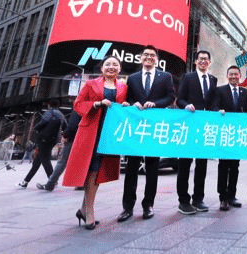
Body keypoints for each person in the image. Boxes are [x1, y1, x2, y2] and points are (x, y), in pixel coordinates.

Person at [62, 56, 127, 230]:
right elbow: (78, 104)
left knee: (97, 172)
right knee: (92, 170)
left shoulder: (123, 87)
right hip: (91, 131)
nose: (111, 67)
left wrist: (125, 105)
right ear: (102, 68)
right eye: (108, 64)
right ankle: (89, 212)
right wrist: (97, 103)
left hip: (109, 133)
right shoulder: (91, 84)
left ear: (119, 69)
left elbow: (121, 106)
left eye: (115, 64)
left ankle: (84, 210)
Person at [118, 45, 176, 222]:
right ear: (141, 57)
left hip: (154, 127)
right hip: (136, 128)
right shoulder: (132, 78)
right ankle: (127, 207)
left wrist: (155, 104)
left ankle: (148, 205)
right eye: (146, 55)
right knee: (131, 168)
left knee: (152, 168)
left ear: (156, 59)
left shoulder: (165, 77)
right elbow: (127, 98)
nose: (149, 57)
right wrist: (132, 103)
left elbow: (170, 97)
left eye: (152, 55)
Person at [176, 50, 217, 214]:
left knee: (202, 165)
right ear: (195, 61)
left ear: (209, 62)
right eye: (200, 59)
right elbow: (180, 99)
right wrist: (186, 105)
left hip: (205, 128)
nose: (203, 61)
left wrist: (217, 110)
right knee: (184, 164)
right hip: (189, 127)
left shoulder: (213, 80)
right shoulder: (188, 77)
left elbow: (213, 103)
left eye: (206, 59)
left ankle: (198, 199)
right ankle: (183, 201)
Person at [212, 65, 247, 211]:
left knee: (235, 166)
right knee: (223, 166)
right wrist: (219, 111)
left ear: (240, 76)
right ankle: (223, 197)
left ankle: (232, 196)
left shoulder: (245, 92)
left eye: (236, 74)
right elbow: (214, 107)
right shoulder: (220, 90)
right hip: (224, 134)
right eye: (231, 74)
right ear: (227, 76)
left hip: (237, 135)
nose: (234, 76)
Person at [18, 99, 65, 188]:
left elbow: (43, 122)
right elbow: (65, 126)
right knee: (37, 162)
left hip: (43, 139)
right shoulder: (61, 114)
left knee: (45, 160)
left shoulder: (49, 112)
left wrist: (36, 128)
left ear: (49, 105)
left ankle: (52, 181)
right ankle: (25, 181)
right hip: (53, 140)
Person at [37, 110, 81, 191]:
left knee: (62, 162)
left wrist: (65, 135)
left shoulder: (78, 110)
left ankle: (50, 184)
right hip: (85, 139)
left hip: (72, 139)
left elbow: (72, 126)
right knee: (81, 162)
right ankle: (81, 184)